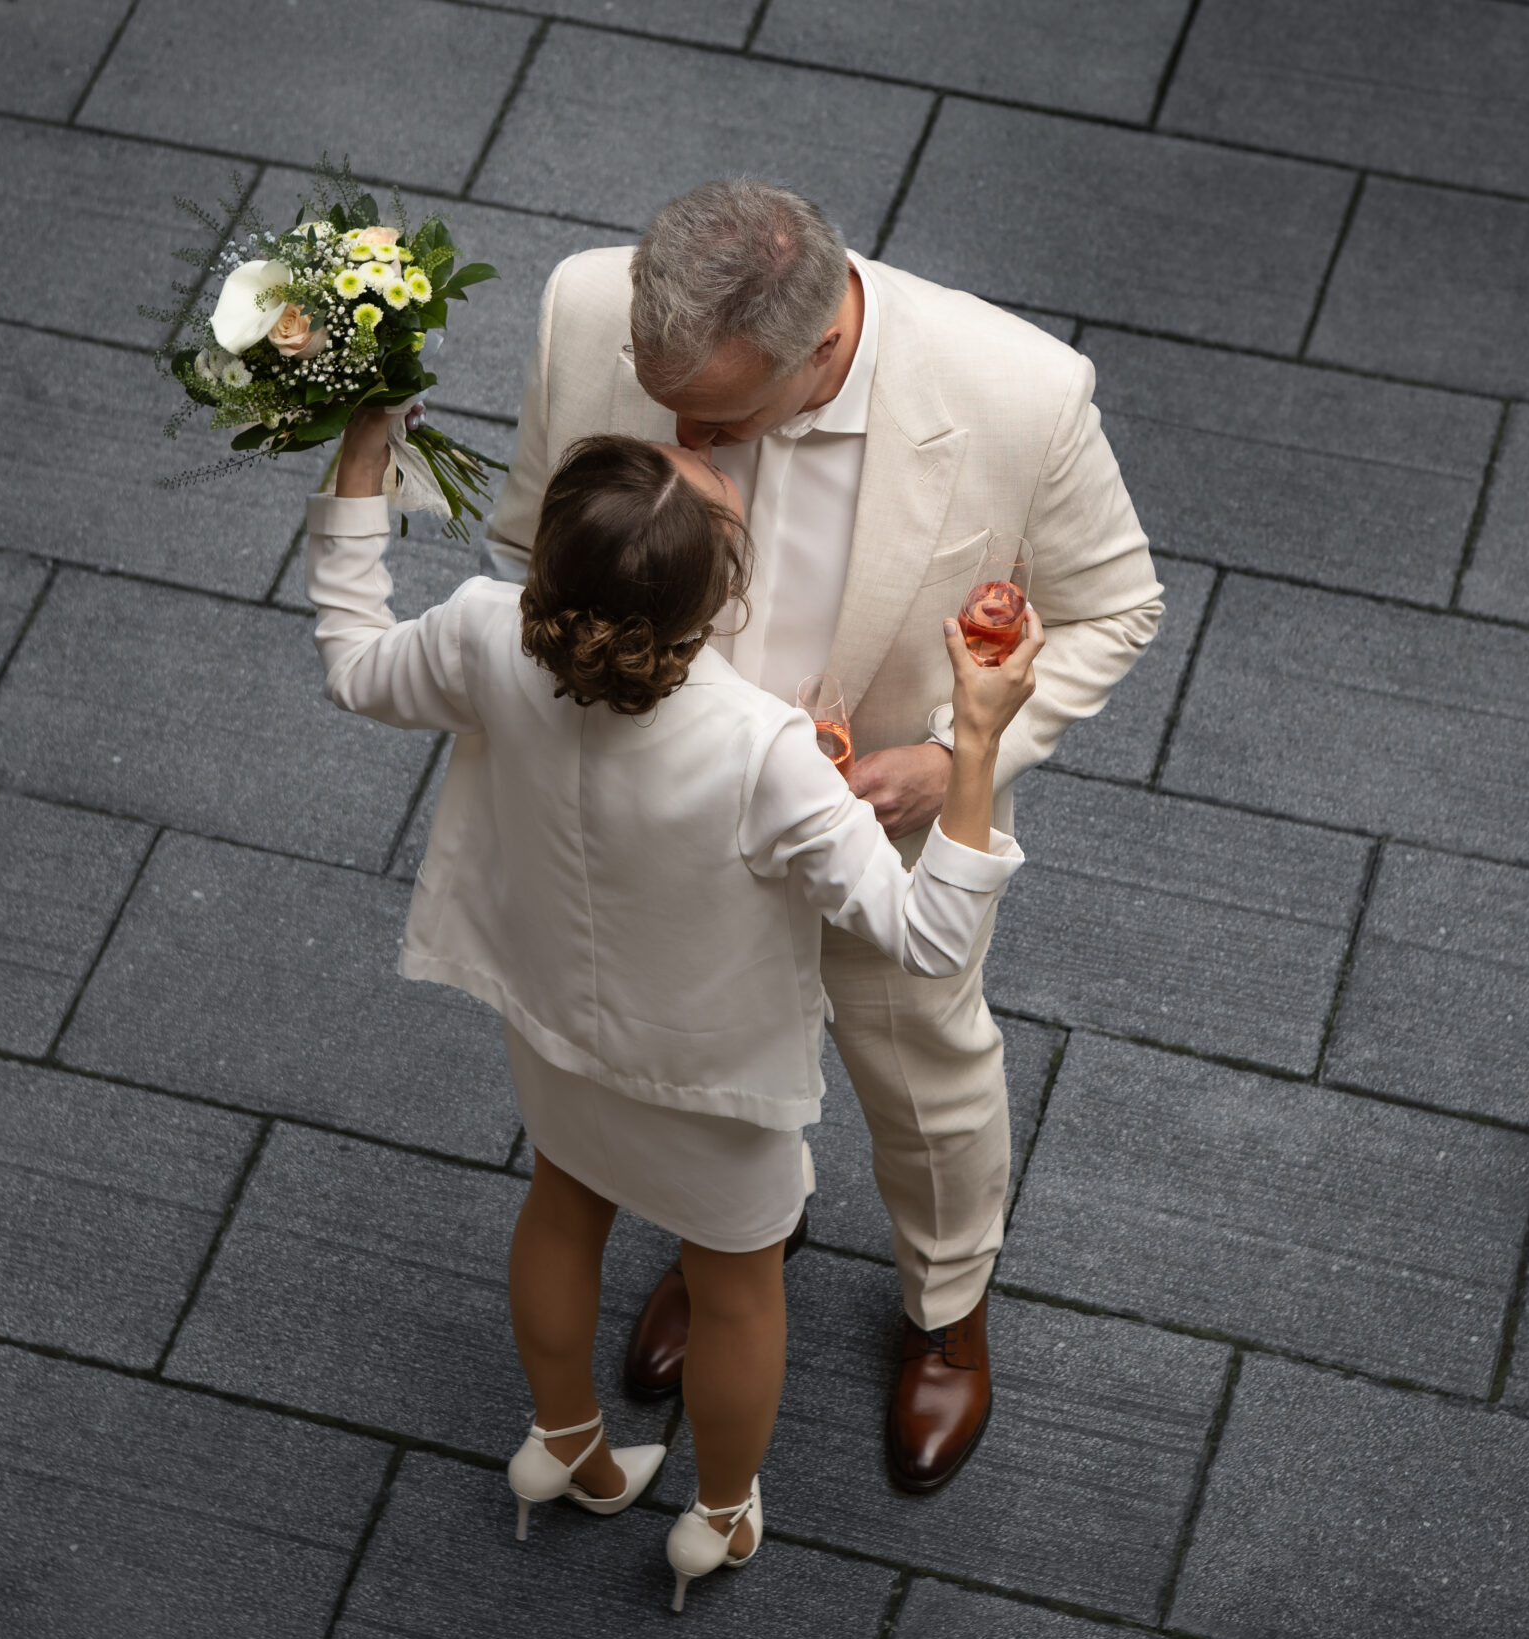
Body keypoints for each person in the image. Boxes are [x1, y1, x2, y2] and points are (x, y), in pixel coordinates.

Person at [484, 180, 1163, 1492]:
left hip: (881, 820)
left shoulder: (1023, 391)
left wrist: (957, 759)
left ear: (823, 354)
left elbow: (1114, 608)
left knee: (923, 1063)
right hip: (662, 828)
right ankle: (738, 1237)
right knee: (697, 1061)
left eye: (717, 417)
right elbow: (530, 543)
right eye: (657, 390)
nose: (679, 432)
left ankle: (946, 1306)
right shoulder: (582, 307)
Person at [302, 406, 1040, 1608]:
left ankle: (566, 1444)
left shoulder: (489, 630)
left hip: (550, 1028)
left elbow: (350, 660)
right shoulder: (765, 750)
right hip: (717, 1089)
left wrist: (362, 460)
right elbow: (929, 933)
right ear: (715, 609)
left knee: (560, 1202)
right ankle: (719, 1517)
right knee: (740, 1289)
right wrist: (976, 739)